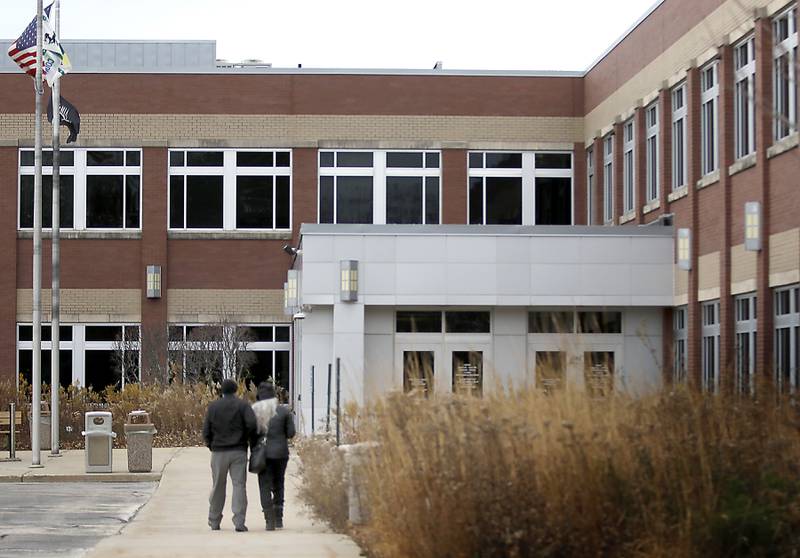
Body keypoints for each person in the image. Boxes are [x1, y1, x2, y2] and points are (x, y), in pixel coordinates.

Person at [202, 378, 257, 532]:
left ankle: (214, 520)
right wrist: (246, 440)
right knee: (239, 485)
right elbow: (252, 425)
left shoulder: (213, 407)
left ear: (222, 391)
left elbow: (206, 430)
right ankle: (239, 521)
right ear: (235, 390)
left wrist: (211, 444)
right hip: (238, 451)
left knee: (218, 485)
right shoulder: (243, 406)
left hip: (219, 451)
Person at [251, 381, 296, 530]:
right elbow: (291, 433)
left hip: (263, 454)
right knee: (279, 484)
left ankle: (268, 520)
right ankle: (279, 518)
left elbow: (250, 434)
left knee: (264, 485)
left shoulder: (254, 411)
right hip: (281, 453)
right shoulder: (283, 411)